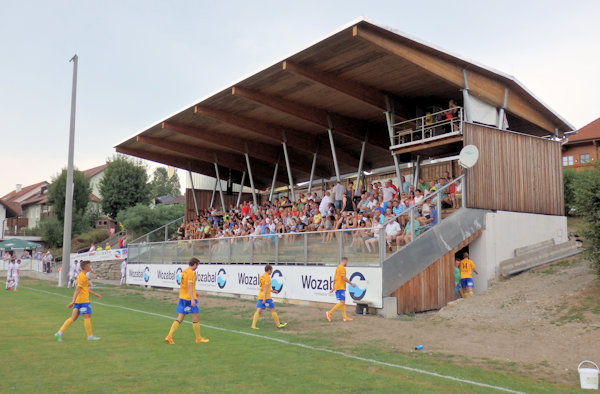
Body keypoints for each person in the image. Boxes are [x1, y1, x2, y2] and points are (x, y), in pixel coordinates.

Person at [164, 257, 209, 344]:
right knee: (195, 317)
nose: (197, 267)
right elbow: (189, 285)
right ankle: (198, 338)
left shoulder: (184, 271)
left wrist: (194, 293)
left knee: (180, 318)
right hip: (189, 299)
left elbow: (185, 286)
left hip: (182, 297)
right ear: (195, 264)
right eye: (197, 265)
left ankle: (169, 336)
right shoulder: (191, 273)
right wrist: (192, 298)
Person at [54, 260, 101, 342]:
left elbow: (85, 289)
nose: (90, 267)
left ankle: (59, 333)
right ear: (86, 267)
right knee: (87, 317)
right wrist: (73, 301)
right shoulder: (82, 277)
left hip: (79, 301)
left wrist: (94, 294)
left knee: (73, 318)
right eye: (89, 266)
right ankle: (90, 336)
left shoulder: (82, 276)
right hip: (83, 301)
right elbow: (77, 289)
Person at [251, 264, 287, 329]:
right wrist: (264, 297)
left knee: (258, 310)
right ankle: (278, 325)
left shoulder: (262, 276)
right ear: (269, 270)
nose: (272, 272)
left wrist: (272, 291)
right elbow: (265, 287)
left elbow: (264, 287)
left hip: (260, 295)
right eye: (271, 270)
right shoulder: (267, 277)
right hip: (266, 297)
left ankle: (253, 325)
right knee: (273, 309)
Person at [326, 257, 355, 322]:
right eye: (347, 262)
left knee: (342, 302)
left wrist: (333, 287)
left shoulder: (337, 267)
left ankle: (345, 317)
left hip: (338, 286)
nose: (347, 263)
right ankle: (329, 313)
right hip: (340, 287)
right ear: (345, 261)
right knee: (342, 302)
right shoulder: (342, 268)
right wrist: (351, 283)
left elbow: (335, 278)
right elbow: (344, 278)